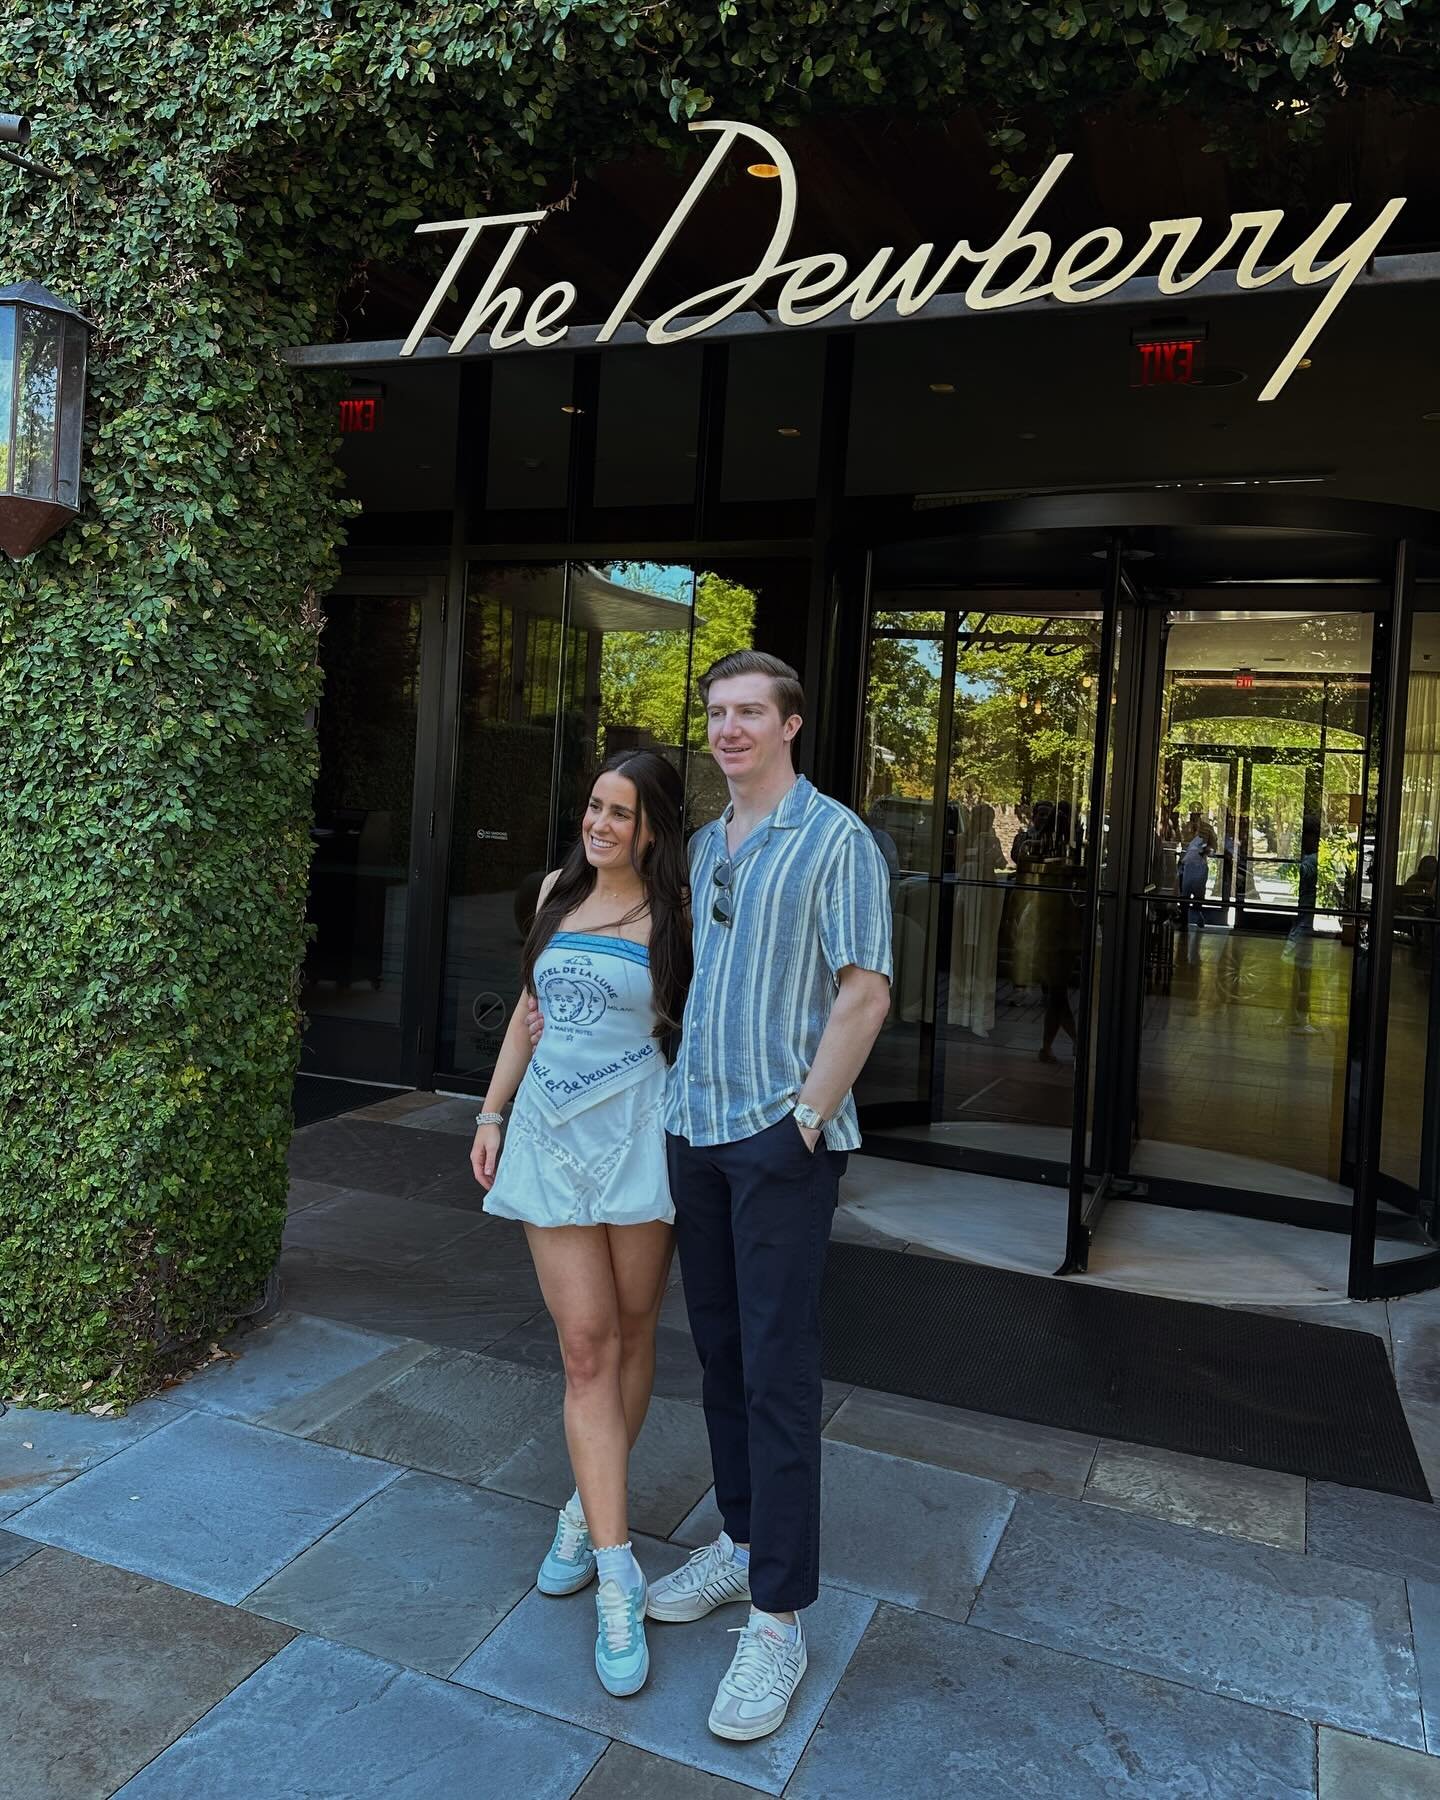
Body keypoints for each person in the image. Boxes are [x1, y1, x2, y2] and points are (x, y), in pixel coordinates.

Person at [647, 650, 892, 1743]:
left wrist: (802, 1120)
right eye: (717, 714)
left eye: (750, 712)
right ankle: (741, 1545)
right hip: (695, 1128)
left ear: (791, 725)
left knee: (781, 1372)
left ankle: (780, 1617)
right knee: (724, 1355)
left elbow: (866, 990)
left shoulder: (836, 839)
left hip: (778, 1140)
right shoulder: (705, 846)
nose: (729, 729)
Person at [470, 749, 691, 1699]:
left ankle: (580, 1504)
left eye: (619, 813)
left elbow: (692, 1026)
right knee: (588, 1348)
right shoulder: (560, 889)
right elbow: (531, 1012)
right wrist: (491, 1111)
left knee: (636, 1331)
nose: (599, 825)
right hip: (549, 1140)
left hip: (637, 1139)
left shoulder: (676, 917)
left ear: (652, 829)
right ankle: (616, 1571)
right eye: (594, 807)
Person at [1180, 827, 1210, 927]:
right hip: (1190, 868)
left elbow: (1210, 850)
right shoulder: (1187, 831)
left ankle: (1196, 916)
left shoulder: (1205, 834)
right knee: (1186, 895)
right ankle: (1185, 920)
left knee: (1197, 895)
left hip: (1198, 868)